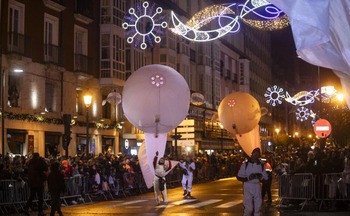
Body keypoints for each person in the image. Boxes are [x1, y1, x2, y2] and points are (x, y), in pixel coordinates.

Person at [237, 148, 268, 216]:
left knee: (257, 208)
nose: (256, 155)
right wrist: (248, 178)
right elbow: (239, 177)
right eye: (255, 154)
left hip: (257, 186)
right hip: (248, 186)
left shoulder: (261, 166)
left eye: (257, 154)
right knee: (249, 209)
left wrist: (260, 177)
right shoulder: (245, 165)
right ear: (252, 154)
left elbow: (265, 179)